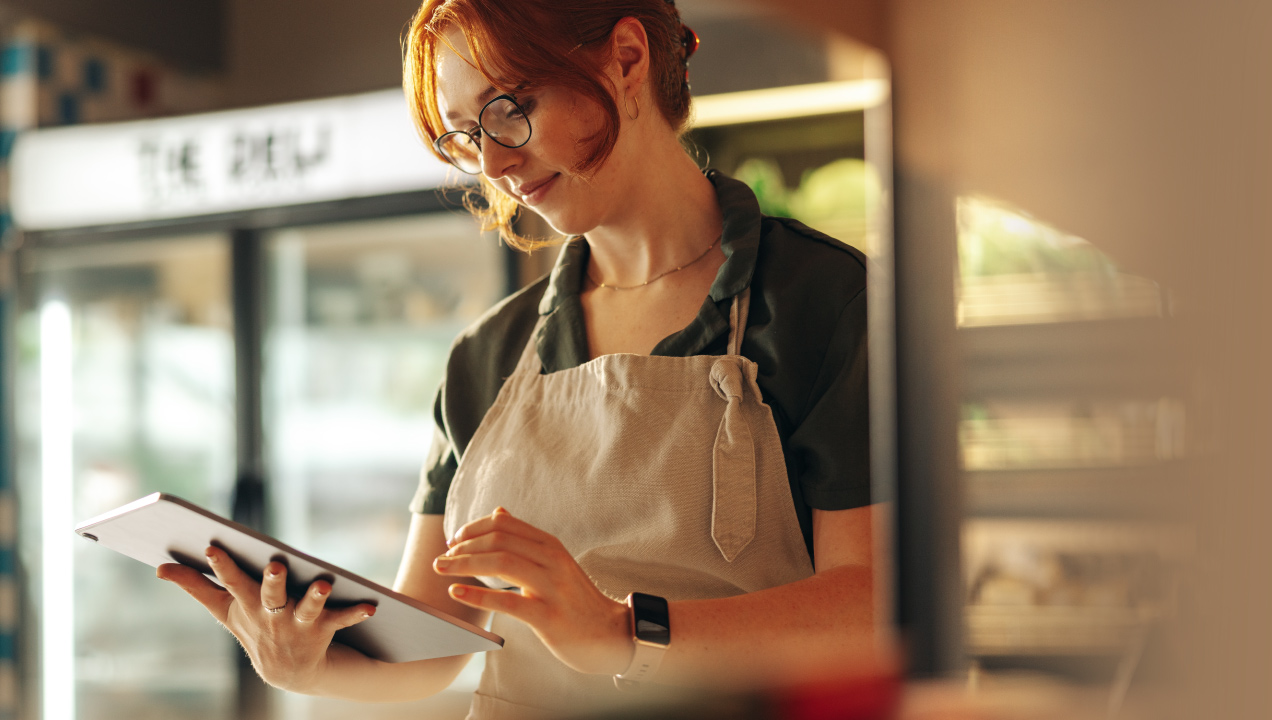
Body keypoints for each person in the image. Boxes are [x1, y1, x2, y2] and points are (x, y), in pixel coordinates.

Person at [158, 0, 885, 717]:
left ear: (628, 58)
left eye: (511, 108)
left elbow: (874, 601)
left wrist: (623, 634)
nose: (496, 164)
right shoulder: (486, 357)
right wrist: (310, 662)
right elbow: (435, 643)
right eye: (466, 137)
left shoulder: (824, 302)